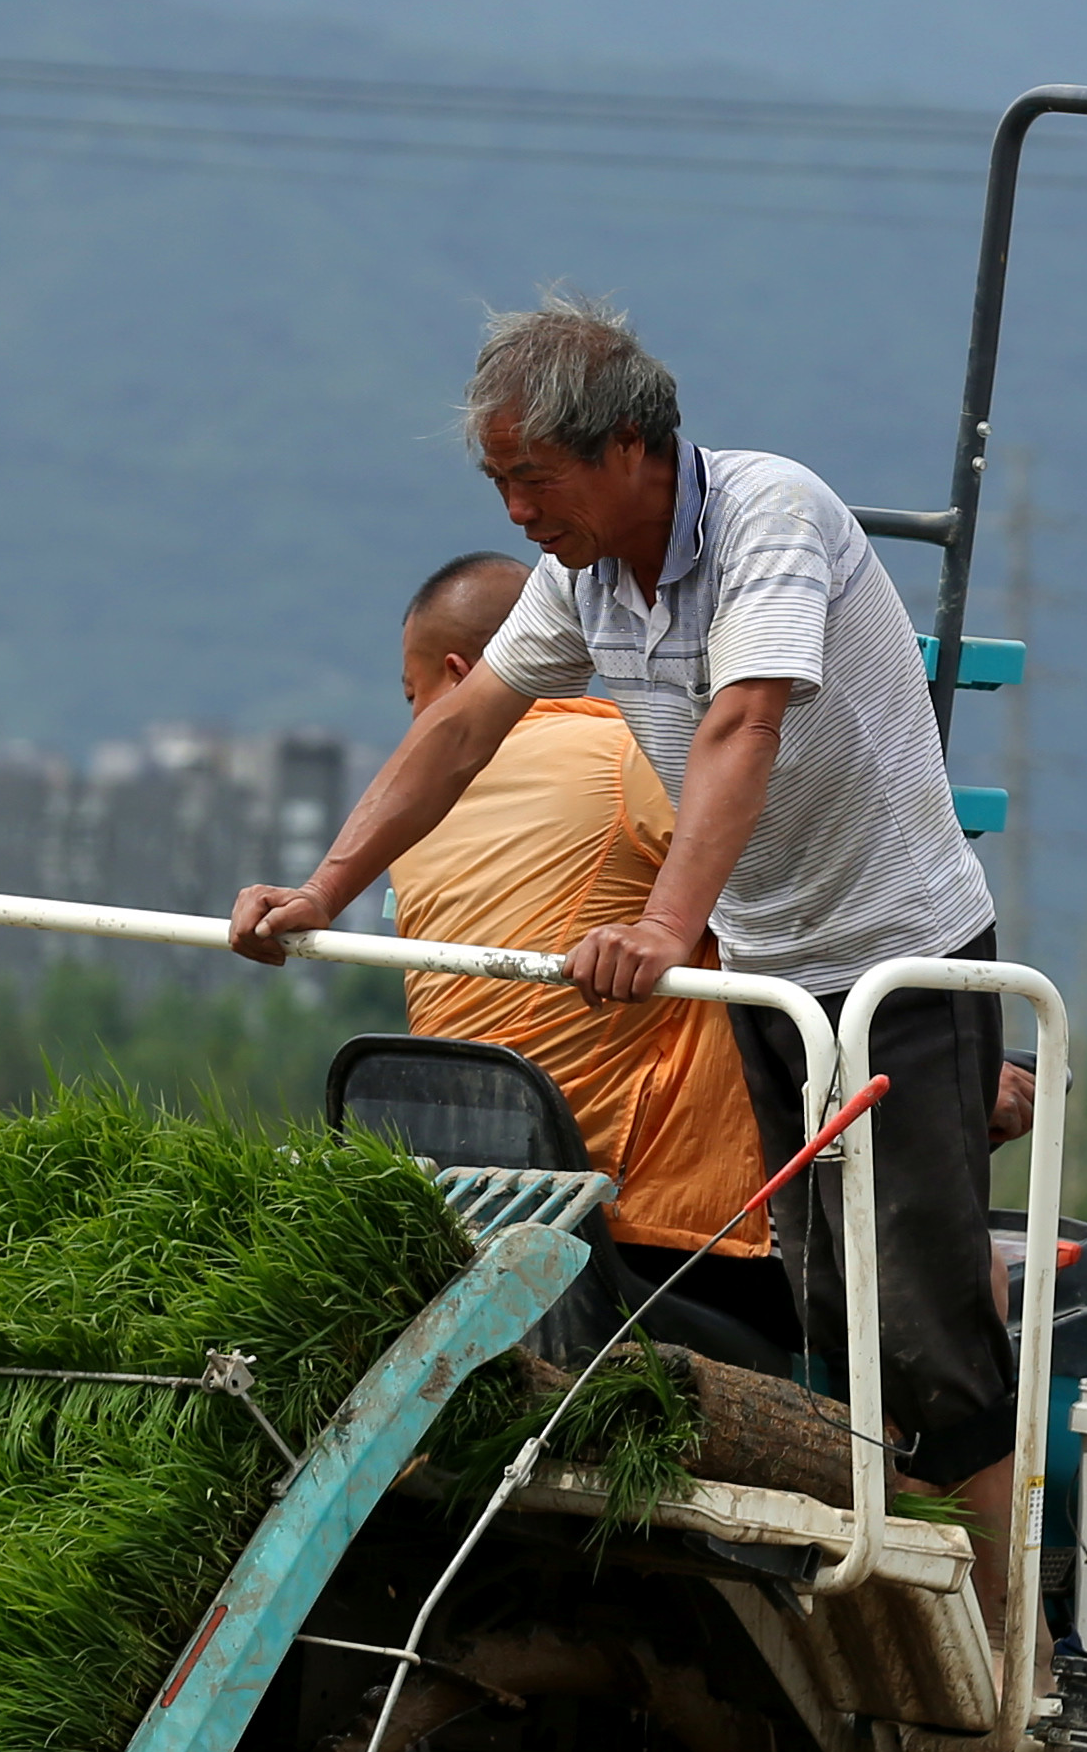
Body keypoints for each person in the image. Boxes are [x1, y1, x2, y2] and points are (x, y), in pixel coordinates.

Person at [234, 295, 1026, 1583]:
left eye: (532, 478)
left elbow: (745, 723)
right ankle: (901, 1587)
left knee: (928, 1321)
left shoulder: (770, 515)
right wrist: (322, 893)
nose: (516, 513)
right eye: (498, 484)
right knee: (828, 1299)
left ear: (631, 453)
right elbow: (463, 722)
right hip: (775, 973)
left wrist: (665, 925)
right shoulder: (579, 583)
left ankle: (1011, 1650)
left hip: (894, 965)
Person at [374, 549, 791, 1356]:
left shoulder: (409, 823)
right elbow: (788, 899)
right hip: (641, 1237)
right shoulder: (626, 757)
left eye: (411, 696)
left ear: (457, 673)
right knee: (949, 1296)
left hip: (468, 1214)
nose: (414, 722)